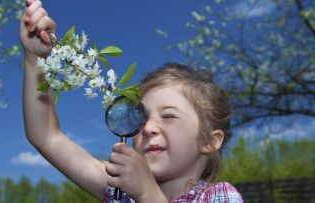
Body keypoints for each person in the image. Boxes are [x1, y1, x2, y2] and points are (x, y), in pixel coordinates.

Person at [20, 0, 244, 202]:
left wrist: (147, 194)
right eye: (141, 117)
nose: (147, 128)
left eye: (168, 116)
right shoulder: (122, 191)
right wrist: (35, 59)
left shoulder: (220, 196)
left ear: (209, 140)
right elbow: (46, 137)